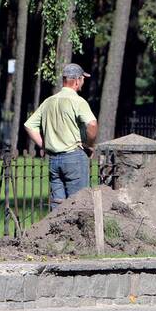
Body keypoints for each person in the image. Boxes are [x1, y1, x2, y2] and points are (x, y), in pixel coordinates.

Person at [24, 63, 98, 208]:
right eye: (83, 79)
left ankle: (57, 231)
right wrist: (89, 145)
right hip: (74, 158)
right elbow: (92, 125)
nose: (83, 82)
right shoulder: (78, 101)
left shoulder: (48, 102)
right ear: (77, 80)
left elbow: (29, 125)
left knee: (57, 208)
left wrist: (44, 146)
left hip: (54, 161)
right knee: (78, 205)